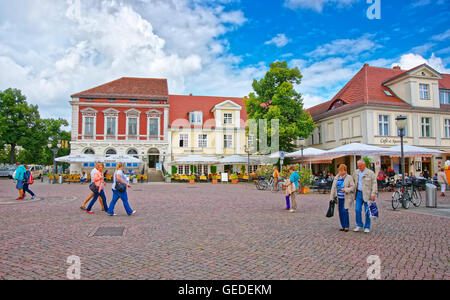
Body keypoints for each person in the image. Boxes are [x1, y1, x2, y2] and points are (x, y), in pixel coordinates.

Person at [353, 160, 377, 233]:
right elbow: (352, 181)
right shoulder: (356, 172)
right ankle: (359, 224)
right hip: (358, 193)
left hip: (368, 194)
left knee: (367, 211)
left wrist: (373, 194)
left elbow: (374, 184)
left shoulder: (370, 173)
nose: (359, 167)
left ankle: (367, 226)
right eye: (358, 166)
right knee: (357, 209)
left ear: (365, 165)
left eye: (361, 166)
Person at [330, 164, 355, 232]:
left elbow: (353, 187)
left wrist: (346, 189)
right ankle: (343, 226)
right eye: (340, 171)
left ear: (345, 170)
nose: (341, 172)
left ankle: (346, 226)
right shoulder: (336, 177)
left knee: (345, 211)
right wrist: (331, 197)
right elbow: (333, 188)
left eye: (342, 170)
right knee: (340, 212)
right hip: (338, 197)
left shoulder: (349, 177)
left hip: (346, 197)